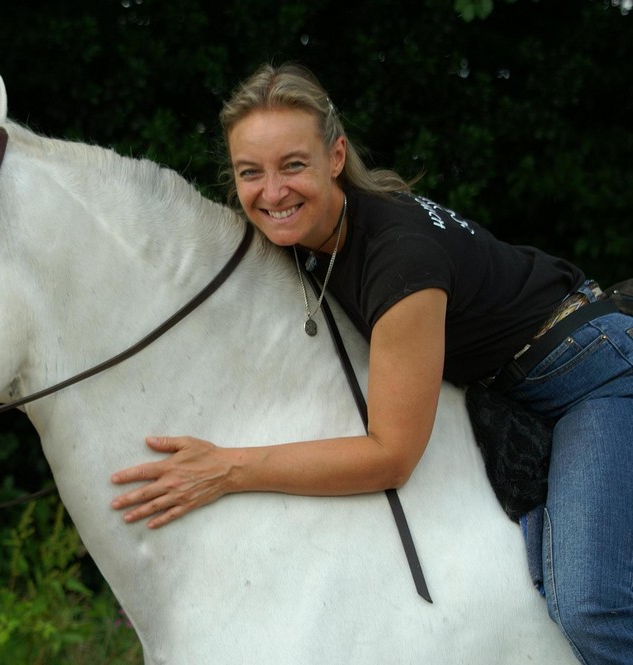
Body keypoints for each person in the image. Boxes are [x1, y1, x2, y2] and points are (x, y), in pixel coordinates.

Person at [110, 62, 633, 665]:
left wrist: (228, 469)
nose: (272, 192)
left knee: (591, 607)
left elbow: (390, 456)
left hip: (591, 376)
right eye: (250, 172)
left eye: (294, 165)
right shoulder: (314, 237)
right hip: (512, 381)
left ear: (336, 157)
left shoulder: (398, 261)